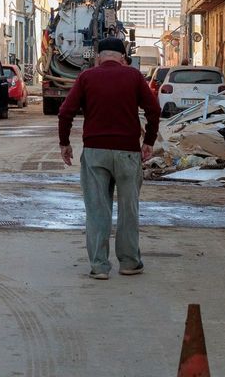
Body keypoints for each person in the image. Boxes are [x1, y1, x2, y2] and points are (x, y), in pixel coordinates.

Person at [58, 37, 161, 280]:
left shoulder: (86, 78)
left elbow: (65, 112)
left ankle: (99, 266)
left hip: (95, 152)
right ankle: (129, 262)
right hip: (127, 153)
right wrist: (149, 141)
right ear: (123, 58)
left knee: (96, 210)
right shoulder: (134, 77)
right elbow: (154, 110)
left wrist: (64, 143)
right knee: (129, 209)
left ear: (98, 57)